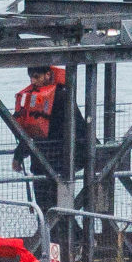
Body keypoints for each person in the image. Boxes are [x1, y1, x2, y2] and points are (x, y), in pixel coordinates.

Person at [12, 66, 87, 215]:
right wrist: (18, 155)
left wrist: (19, 155)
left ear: (48, 75)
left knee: (57, 211)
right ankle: (62, 236)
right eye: (31, 78)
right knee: (51, 209)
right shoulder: (45, 97)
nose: (33, 82)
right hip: (44, 163)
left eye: (36, 77)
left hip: (59, 164)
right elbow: (32, 132)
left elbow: (77, 126)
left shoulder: (61, 97)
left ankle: (69, 236)